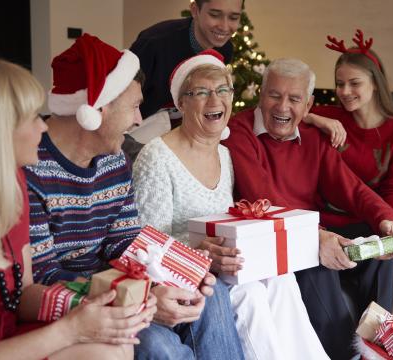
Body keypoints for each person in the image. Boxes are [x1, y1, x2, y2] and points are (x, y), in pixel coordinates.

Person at [0, 55, 155, 359]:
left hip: (13, 335)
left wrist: (94, 305)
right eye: (31, 117)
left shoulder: (11, 183)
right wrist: (71, 329)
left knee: (116, 344)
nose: (43, 127)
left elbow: (24, 292)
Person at [26, 34, 241, 360]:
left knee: (212, 293)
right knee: (160, 346)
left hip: (120, 286)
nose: (140, 120)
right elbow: (41, 280)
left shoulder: (113, 161)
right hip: (78, 305)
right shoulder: (31, 168)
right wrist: (144, 298)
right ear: (97, 109)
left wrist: (187, 272)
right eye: (134, 107)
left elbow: (126, 242)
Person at [133, 50, 328, 360]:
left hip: (224, 262)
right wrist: (200, 255)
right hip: (184, 275)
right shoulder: (157, 157)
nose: (215, 100)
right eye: (202, 92)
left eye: (223, 90)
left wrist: (314, 117)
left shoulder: (225, 153)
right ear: (181, 102)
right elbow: (146, 245)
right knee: (248, 292)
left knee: (281, 278)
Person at [222, 57, 393, 359]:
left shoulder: (313, 139)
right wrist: (317, 237)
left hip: (312, 232)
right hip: (273, 241)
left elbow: (353, 189)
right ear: (261, 94)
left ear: (308, 106)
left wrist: (389, 221)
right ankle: (342, 354)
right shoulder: (240, 133)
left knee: (377, 245)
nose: (283, 107)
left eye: (294, 99)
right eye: (274, 95)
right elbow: (263, 200)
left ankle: (375, 347)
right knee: (310, 256)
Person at [304, 30, 393, 316]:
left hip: (379, 217)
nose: (345, 91)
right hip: (339, 220)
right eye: (340, 84)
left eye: (354, 83)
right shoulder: (330, 118)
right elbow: (284, 111)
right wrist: (314, 117)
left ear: (375, 83)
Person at [123, 0, 243, 162]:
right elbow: (122, 99)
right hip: (137, 129)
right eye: (215, 15)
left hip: (184, 132)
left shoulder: (225, 50)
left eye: (234, 17)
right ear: (195, 10)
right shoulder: (154, 43)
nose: (224, 26)